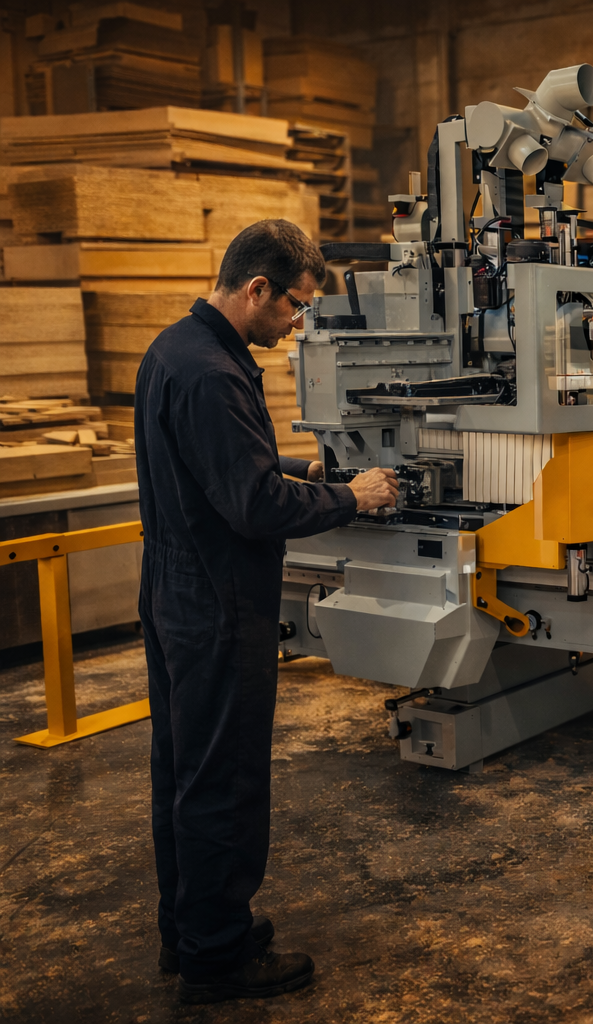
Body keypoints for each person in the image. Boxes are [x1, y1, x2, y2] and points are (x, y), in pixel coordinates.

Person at [135, 220, 399, 1004]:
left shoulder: (173, 351)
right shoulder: (217, 374)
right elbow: (249, 505)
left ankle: (188, 932)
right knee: (225, 776)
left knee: (182, 769)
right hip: (219, 601)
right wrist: (350, 495)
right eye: (294, 307)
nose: (297, 323)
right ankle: (219, 957)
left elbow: (218, 465)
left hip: (173, 588)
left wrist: (297, 466)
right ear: (257, 289)